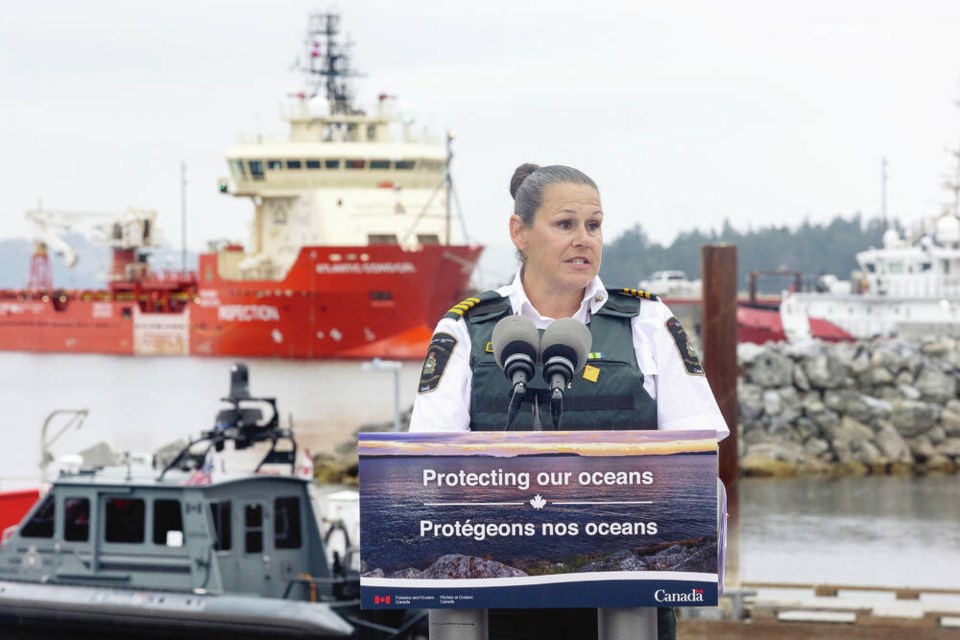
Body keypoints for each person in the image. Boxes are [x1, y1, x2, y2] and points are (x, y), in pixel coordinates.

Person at [409, 163, 730, 640]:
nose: (584, 239)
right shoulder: (466, 330)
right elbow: (426, 471)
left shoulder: (647, 322)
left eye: (594, 226)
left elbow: (698, 460)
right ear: (519, 231)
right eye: (565, 224)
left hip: (627, 602)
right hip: (499, 605)